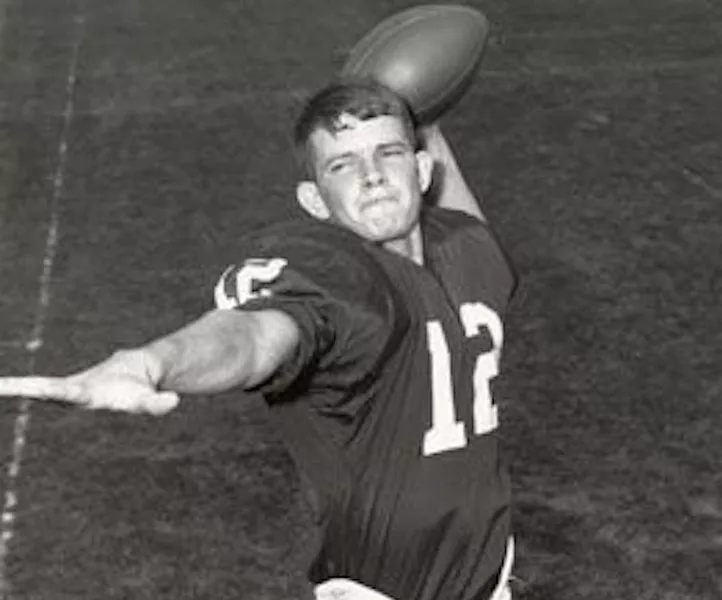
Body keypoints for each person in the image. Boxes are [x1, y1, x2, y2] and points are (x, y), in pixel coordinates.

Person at [0, 78, 518, 600]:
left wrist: (422, 102)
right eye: (342, 165)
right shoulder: (339, 278)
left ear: (424, 169)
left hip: (486, 578)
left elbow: (473, 234)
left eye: (389, 153)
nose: (373, 176)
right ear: (314, 202)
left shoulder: (469, 249)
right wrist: (151, 362)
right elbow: (253, 336)